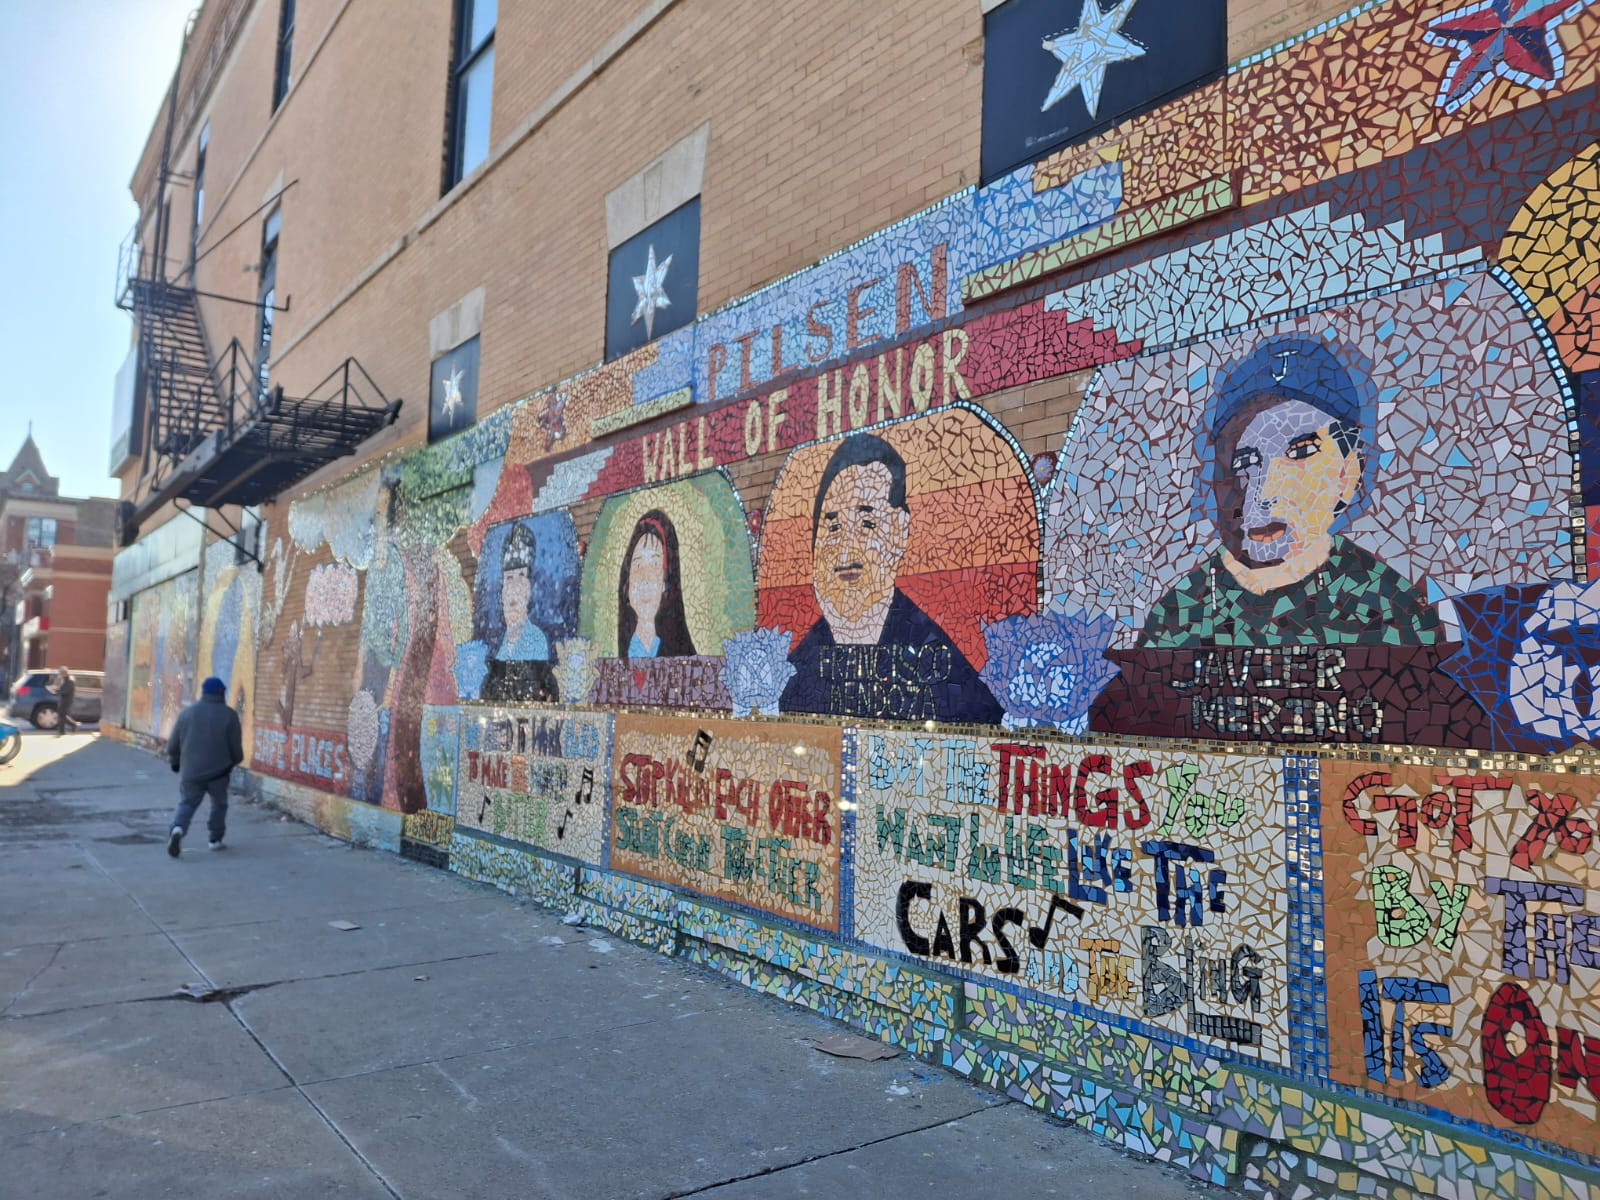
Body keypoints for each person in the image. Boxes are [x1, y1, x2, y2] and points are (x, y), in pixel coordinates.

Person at [1139, 335, 1441, 648]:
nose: (1263, 490)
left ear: (1348, 473)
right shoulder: (1174, 621)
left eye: (1300, 452)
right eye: (1243, 460)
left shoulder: (1393, 611)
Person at [779, 433, 1003, 722]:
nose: (846, 552)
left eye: (867, 524)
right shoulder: (793, 674)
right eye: (833, 529)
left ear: (899, 531)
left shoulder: (940, 662)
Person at [167, 676, 244, 857]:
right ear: (221, 693)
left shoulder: (187, 714)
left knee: (187, 803)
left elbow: (172, 745)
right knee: (219, 805)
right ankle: (215, 839)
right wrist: (233, 762)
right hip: (219, 773)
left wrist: (175, 763)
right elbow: (236, 749)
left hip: (191, 772)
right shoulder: (229, 715)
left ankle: (178, 829)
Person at [481, 524, 559, 702]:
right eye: (508, 578)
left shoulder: (535, 638)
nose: (514, 587)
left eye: (521, 576)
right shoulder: (502, 642)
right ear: (501, 590)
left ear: (530, 589)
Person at [617, 509, 697, 659]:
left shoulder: (686, 663)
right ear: (627, 582)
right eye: (638, 566)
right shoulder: (619, 662)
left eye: (655, 564)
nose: (645, 579)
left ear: (665, 583)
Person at [53, 667, 78, 736]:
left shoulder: (70, 681)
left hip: (67, 700)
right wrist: (56, 690)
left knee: (62, 715)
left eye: (61, 673)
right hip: (64, 699)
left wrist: (57, 691)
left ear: (65, 673)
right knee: (62, 715)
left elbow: (65, 691)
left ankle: (63, 730)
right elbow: (63, 689)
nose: (60, 675)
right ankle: (71, 726)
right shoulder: (65, 680)